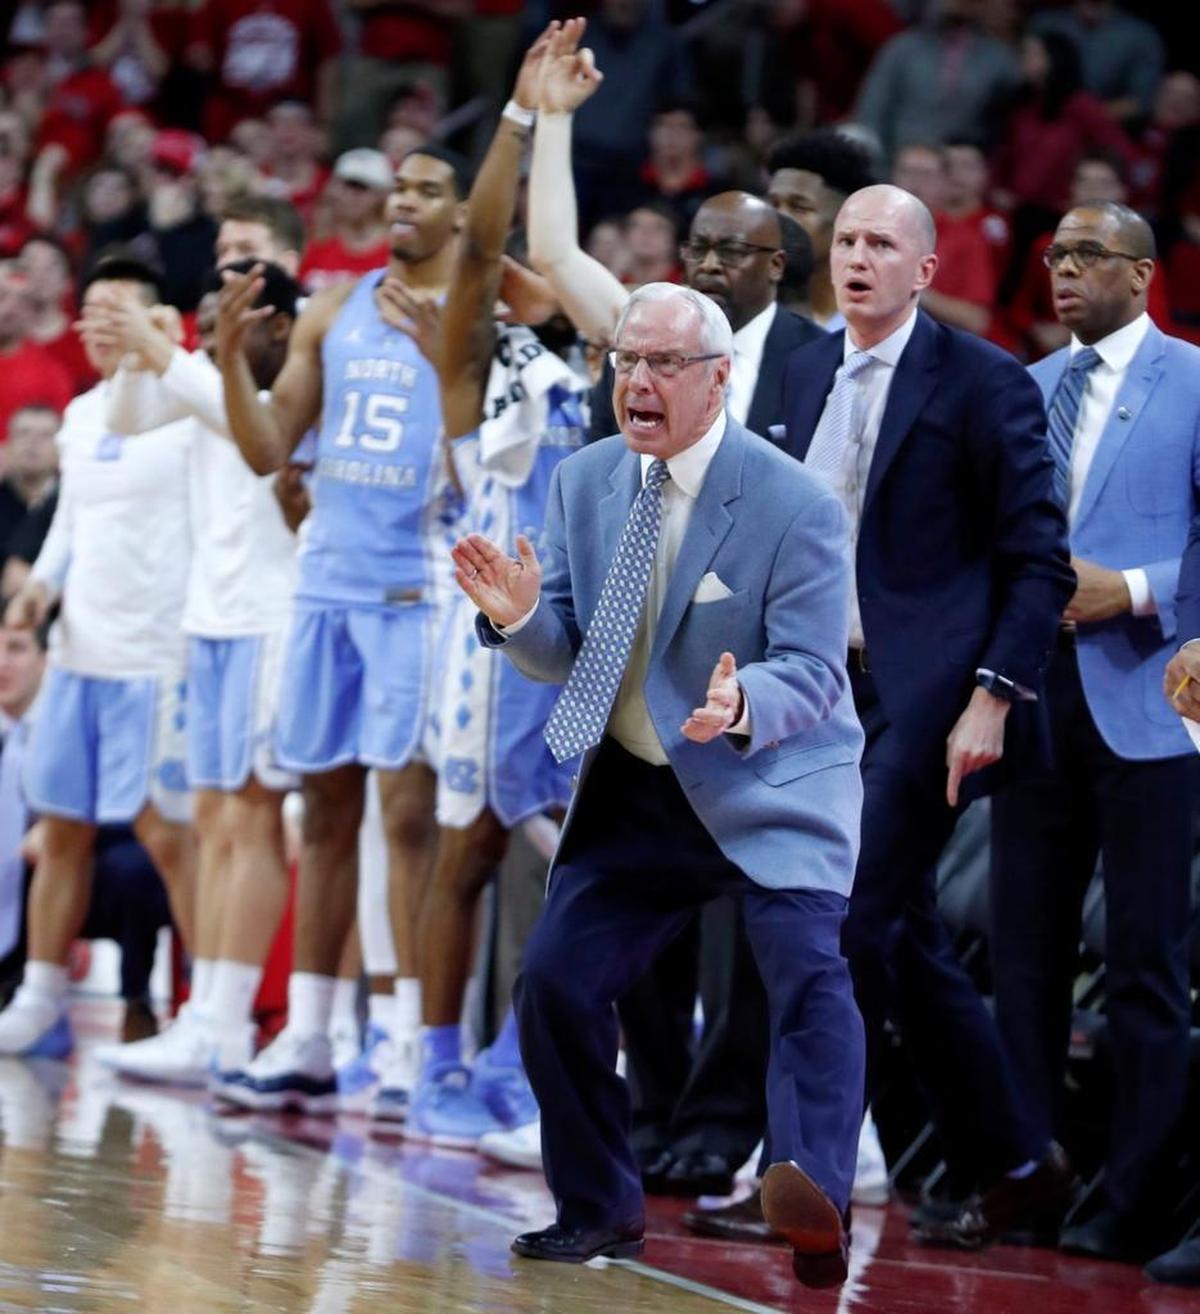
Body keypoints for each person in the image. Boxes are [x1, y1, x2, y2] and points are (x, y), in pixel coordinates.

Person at [455, 280, 865, 1288]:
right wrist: (517, 620)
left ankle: (811, 1185)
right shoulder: (585, 480)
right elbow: (567, 644)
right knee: (553, 983)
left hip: (769, 780)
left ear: (720, 378)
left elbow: (817, 671)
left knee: (808, 973)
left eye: (664, 364)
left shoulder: (794, 501)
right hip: (641, 782)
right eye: (626, 361)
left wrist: (743, 702)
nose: (637, 380)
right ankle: (598, 1206)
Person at [526, 23, 824, 1195]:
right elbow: (551, 245)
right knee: (618, 941)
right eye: (694, 242)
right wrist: (549, 116)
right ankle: (647, 1122)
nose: (703, 264)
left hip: (756, 700)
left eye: (730, 249)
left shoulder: (819, 359)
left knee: (760, 940)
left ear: (778, 266)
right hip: (641, 692)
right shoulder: (648, 337)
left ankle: (733, 1130)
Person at [770, 183, 1077, 1248]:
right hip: (807, 690)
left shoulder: (982, 380)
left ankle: (802, 1168)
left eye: (881, 243)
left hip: (926, 699)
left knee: (842, 921)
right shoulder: (803, 367)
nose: (857, 258)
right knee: (895, 932)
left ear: (925, 270)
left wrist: (992, 696)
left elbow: (1039, 558)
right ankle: (1017, 1158)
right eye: (846, 240)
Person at [208, 145, 468, 1115]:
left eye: (426, 191)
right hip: (326, 584)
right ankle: (311, 1036)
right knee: (321, 815)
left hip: (418, 586)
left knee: (407, 819)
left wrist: (452, 351)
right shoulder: (331, 306)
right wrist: (235, 361)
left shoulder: (475, 316)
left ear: (461, 214)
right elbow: (270, 450)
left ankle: (406, 1040)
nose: (405, 202)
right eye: (398, 188)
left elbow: (484, 454)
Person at [978, 202, 1200, 1263]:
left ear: (1143, 274)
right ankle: (1032, 1176)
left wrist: (1142, 591)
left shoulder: (1196, 379)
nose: (1064, 273)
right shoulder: (1026, 393)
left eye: (1088, 256)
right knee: (1022, 956)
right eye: (1055, 256)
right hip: (1035, 698)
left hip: (1154, 696)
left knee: (1144, 964)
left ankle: (1134, 1195)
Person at [403, 24, 585, 1147]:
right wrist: (522, 120)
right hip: (486, 631)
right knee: (471, 843)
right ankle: (431, 1064)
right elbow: (476, 250)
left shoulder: (606, 368)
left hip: (582, 628)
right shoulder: (474, 364)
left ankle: (524, 1054)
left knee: (564, 850)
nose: (514, 264)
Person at [83, 261, 301, 1087]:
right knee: (211, 817)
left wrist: (170, 349)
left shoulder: (284, 385)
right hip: (206, 618)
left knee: (250, 815)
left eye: (233, 314)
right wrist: (145, 350)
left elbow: (253, 446)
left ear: (277, 321)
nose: (216, 330)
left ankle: (230, 1021)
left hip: (264, 616)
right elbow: (134, 415)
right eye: (210, 313)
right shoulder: (205, 375)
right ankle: (205, 1010)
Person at [0, 253, 195, 1061]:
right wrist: (39, 590)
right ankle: (41, 996)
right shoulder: (79, 416)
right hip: (78, 656)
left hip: (153, 659)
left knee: (166, 833)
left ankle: (209, 1005)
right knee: (65, 829)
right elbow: (71, 528)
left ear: (160, 323)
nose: (100, 324)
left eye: (119, 309)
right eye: (93, 310)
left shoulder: (190, 413)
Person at [764, 129, 876, 330]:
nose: (779, 219)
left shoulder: (882, 328)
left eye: (799, 207)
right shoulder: (745, 313)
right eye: (773, 204)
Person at [299, 150, 392, 292]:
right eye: (346, 186)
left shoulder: (394, 253)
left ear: (381, 196)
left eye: (362, 188)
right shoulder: (314, 245)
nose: (352, 196)